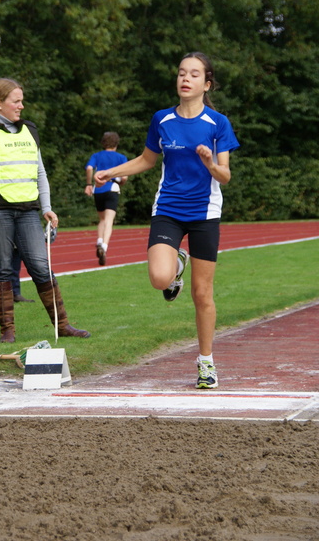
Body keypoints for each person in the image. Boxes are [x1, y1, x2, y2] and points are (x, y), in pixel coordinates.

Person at [95, 52, 239, 389]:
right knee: (160, 278)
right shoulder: (162, 119)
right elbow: (147, 159)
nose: (185, 79)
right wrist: (111, 172)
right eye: (180, 73)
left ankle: (206, 363)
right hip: (169, 210)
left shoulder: (218, 124)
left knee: (202, 294)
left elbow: (225, 175)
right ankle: (176, 265)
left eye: (193, 74)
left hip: (205, 214)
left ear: (207, 83)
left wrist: (209, 162)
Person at [0, 77, 90, 343]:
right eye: (16, 101)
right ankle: (7, 331)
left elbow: (40, 171)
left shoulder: (29, 131)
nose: (22, 106)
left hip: (28, 211)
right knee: (1, 270)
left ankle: (63, 325)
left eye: (22, 100)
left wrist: (47, 207)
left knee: (41, 267)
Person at [84, 132, 128, 265]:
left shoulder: (96, 155)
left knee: (102, 219)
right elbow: (124, 177)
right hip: (112, 188)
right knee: (109, 220)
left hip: (98, 189)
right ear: (116, 144)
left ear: (103, 143)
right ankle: (104, 246)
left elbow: (89, 168)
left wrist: (88, 184)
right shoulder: (121, 157)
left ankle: (99, 240)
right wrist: (121, 182)